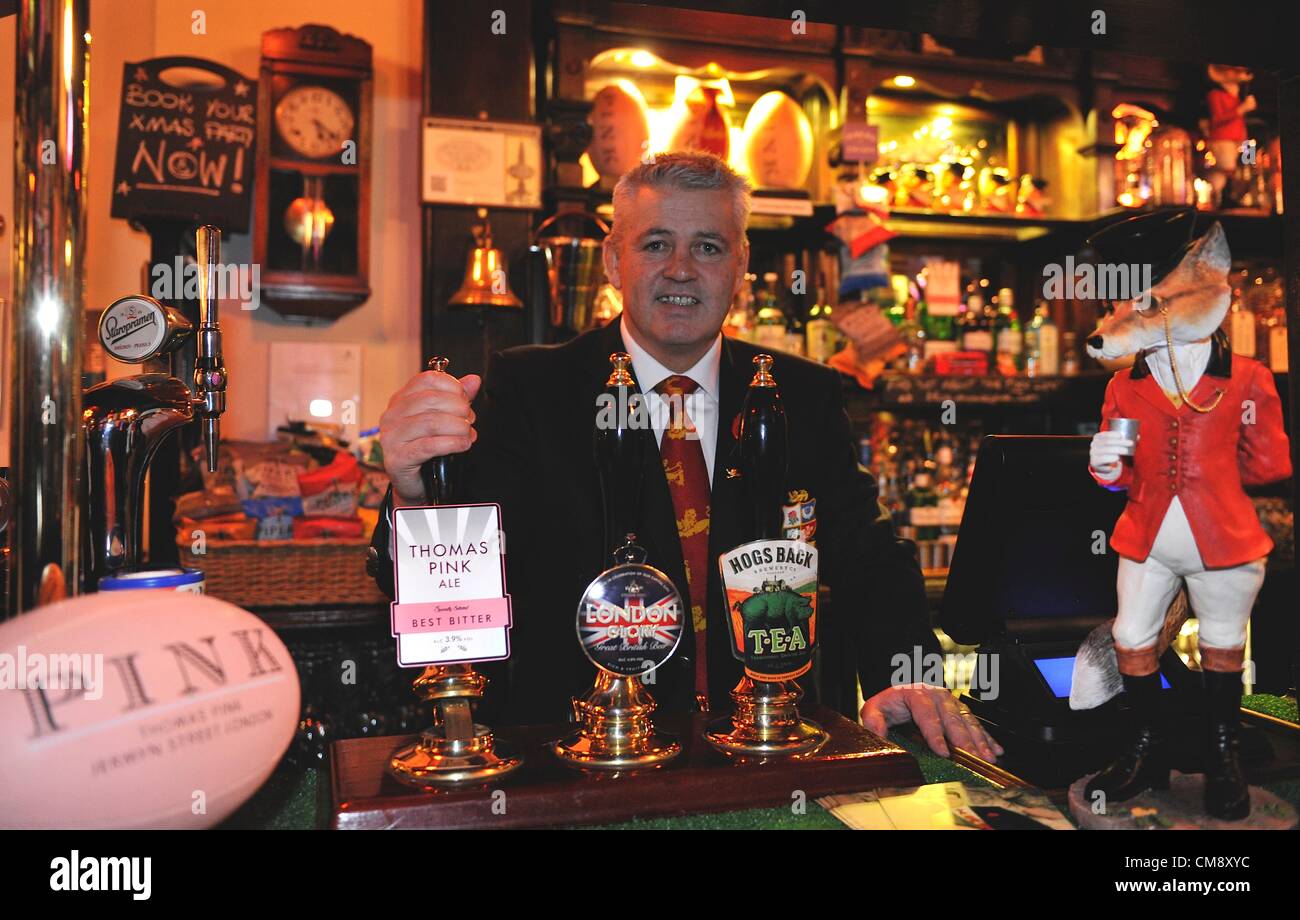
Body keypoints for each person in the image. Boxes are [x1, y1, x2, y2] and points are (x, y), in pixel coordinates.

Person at [370, 152, 1001, 761]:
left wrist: (910, 676)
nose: (680, 269)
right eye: (655, 244)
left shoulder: (800, 392)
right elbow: (461, 570)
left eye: (707, 246)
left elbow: (869, 554)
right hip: (576, 756)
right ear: (615, 262)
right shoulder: (530, 388)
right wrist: (411, 492)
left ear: (739, 264)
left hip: (770, 753)